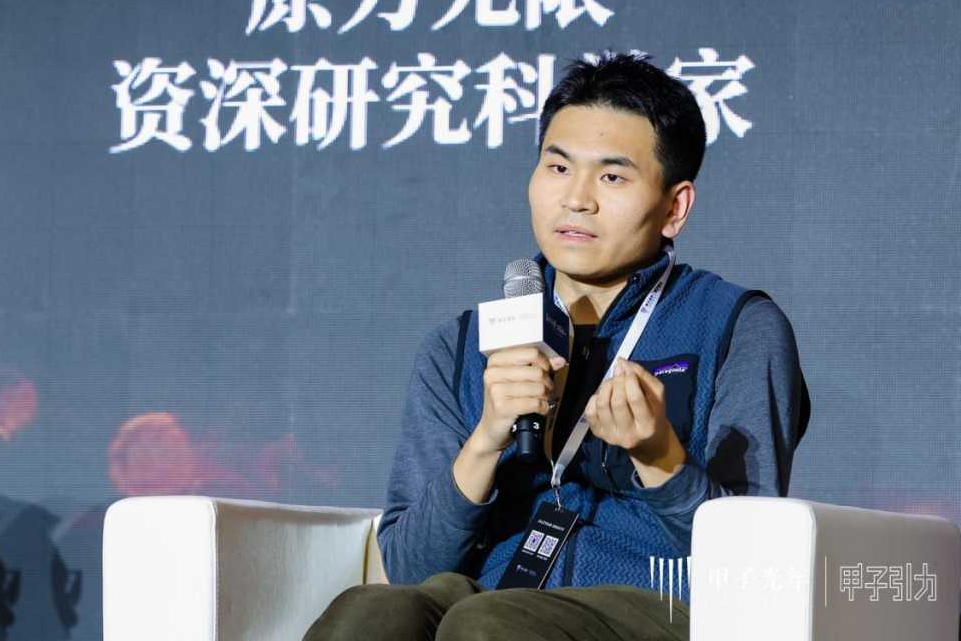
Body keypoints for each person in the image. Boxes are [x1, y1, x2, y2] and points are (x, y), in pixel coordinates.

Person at [305, 51, 808, 641]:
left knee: (488, 626)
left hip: (662, 606)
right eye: (558, 167)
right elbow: (411, 569)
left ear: (674, 208)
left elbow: (753, 562)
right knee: (366, 614)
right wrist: (487, 439)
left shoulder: (737, 327)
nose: (576, 199)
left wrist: (659, 457)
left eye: (612, 177)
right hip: (491, 596)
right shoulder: (461, 346)